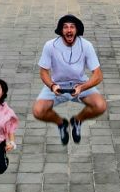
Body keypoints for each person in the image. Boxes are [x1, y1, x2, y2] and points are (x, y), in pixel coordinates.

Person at [32, 14, 107, 145]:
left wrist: (82, 87)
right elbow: (43, 72)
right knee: (38, 111)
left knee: (100, 106)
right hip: (57, 85)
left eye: (72, 27)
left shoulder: (86, 45)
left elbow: (98, 75)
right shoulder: (50, 45)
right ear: (61, 31)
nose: (69, 30)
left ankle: (77, 120)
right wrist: (52, 86)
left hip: (80, 83)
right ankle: (61, 123)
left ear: (77, 30)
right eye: (65, 27)